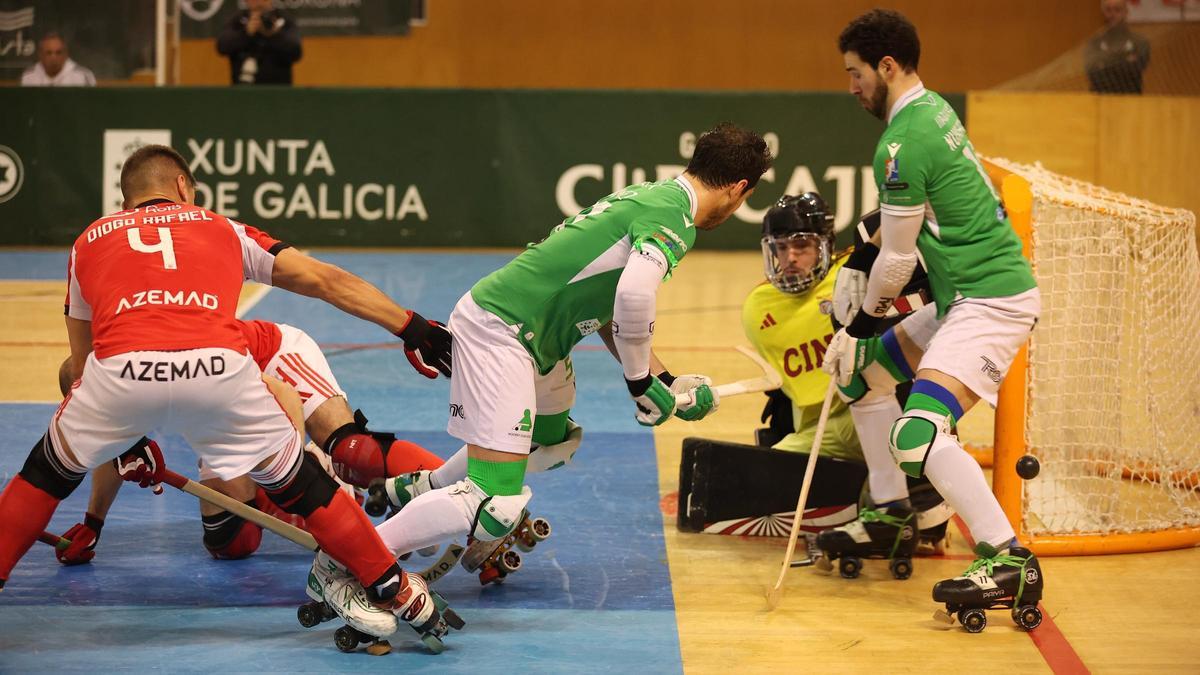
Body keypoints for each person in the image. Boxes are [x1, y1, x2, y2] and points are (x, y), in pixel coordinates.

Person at [0, 144, 456, 645]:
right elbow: (324, 280)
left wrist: (124, 444)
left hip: (121, 375)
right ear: (182, 187)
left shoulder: (87, 241)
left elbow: (81, 368)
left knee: (43, 476)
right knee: (304, 486)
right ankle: (396, 588)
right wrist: (412, 327)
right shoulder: (221, 227)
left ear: (125, 199)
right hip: (219, 370)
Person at [363, 123, 771, 593]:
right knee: (496, 499)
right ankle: (361, 556)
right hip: (503, 331)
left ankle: (424, 488)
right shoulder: (674, 218)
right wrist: (641, 385)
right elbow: (635, 297)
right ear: (741, 190)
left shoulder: (652, 196)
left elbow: (604, 306)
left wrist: (664, 379)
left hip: (534, 338)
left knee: (550, 443)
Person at [829, 10, 1045, 629]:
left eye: (855, 73)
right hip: (962, 301)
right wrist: (861, 266)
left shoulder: (901, 141)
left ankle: (1008, 559)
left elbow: (898, 263)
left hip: (991, 303)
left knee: (917, 435)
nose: (851, 88)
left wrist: (857, 325)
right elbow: (900, 230)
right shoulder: (934, 111)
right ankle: (891, 518)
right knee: (861, 378)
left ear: (886, 67)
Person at [52, 319, 446, 564]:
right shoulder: (109, 381)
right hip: (219, 405)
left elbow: (283, 396)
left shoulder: (159, 363)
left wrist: (299, 467)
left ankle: (465, 489)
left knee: (350, 452)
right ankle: (296, 496)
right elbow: (113, 446)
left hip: (271, 359)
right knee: (229, 542)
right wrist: (93, 524)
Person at [743, 194, 950, 566]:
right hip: (827, 427)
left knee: (894, 385)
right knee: (757, 481)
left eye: (802, 246)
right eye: (781, 248)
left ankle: (923, 489)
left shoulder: (858, 281)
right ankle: (890, 494)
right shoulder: (758, 308)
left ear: (825, 246)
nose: (790, 258)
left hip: (880, 408)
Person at [217, 0, 301, 85]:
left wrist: (274, 35)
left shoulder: (283, 20)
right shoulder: (238, 20)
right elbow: (222, 47)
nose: (256, 1)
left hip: (278, 89)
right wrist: (246, 33)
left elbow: (296, 52)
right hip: (243, 88)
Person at [1084, 0, 1150, 95]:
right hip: (1100, 101)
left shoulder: (1140, 42)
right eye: (1108, 10)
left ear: (1126, 12)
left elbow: (1136, 70)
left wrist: (1105, 63)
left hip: (1131, 100)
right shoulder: (1094, 43)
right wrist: (1125, 60)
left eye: (1117, 10)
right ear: (1103, 13)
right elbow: (1093, 74)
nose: (1112, 14)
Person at [20, 33, 95, 87]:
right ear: (40, 55)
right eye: (49, 53)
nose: (54, 57)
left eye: (58, 53)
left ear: (66, 55)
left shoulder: (82, 76)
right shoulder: (29, 76)